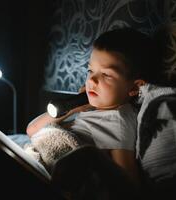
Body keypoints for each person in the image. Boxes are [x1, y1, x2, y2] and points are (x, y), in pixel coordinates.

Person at [24, 27, 161, 185]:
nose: (91, 81)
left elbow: (127, 180)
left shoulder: (119, 120)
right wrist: (74, 107)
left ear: (134, 88)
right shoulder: (91, 108)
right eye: (90, 70)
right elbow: (32, 130)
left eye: (106, 75)